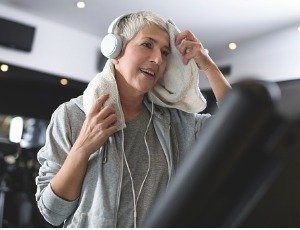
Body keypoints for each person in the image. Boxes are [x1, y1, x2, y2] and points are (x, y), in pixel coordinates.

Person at [35, 11, 231, 228]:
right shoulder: (72, 115)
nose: (158, 59)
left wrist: (208, 65)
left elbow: (234, 125)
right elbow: (52, 212)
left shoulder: (176, 123)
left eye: (165, 52)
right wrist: (81, 150)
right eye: (147, 44)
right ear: (116, 50)